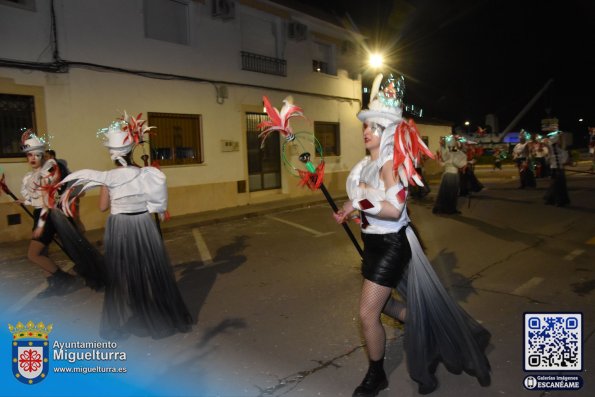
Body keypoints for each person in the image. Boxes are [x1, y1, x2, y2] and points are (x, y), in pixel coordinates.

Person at [334, 74, 491, 396]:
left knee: (367, 313)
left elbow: (393, 211)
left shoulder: (393, 165)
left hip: (393, 245)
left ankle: (376, 375)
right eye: (366, 125)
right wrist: (350, 211)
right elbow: (370, 205)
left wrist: (358, 201)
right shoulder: (365, 165)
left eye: (374, 127)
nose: (367, 131)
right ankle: (431, 324)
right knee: (385, 307)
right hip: (374, 241)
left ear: (388, 131)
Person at [61, 113, 192, 340]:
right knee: (149, 269)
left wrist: (106, 189)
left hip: (120, 226)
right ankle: (156, 313)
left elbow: (103, 207)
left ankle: (135, 309)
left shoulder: (108, 177)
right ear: (132, 151)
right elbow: (156, 204)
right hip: (143, 223)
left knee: (123, 272)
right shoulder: (147, 173)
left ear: (112, 155)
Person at [18, 130, 77, 297]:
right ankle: (54, 284)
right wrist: (26, 201)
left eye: (35, 155)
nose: (32, 159)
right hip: (40, 214)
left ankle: (63, 279)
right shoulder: (34, 174)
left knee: (33, 254)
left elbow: (47, 202)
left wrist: (41, 225)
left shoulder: (47, 173)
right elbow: (38, 199)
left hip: (47, 216)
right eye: (29, 155)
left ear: (41, 155)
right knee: (42, 253)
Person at [432, 135, 467, 214]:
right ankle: (449, 209)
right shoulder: (454, 154)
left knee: (448, 193)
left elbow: (444, 163)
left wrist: (439, 157)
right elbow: (458, 164)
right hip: (451, 176)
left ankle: (447, 208)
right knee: (450, 193)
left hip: (449, 175)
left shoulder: (456, 154)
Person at [543, 131, 570, 207]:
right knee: (557, 186)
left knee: (557, 186)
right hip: (556, 170)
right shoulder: (553, 149)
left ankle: (554, 200)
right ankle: (556, 200)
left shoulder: (559, 149)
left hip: (558, 170)